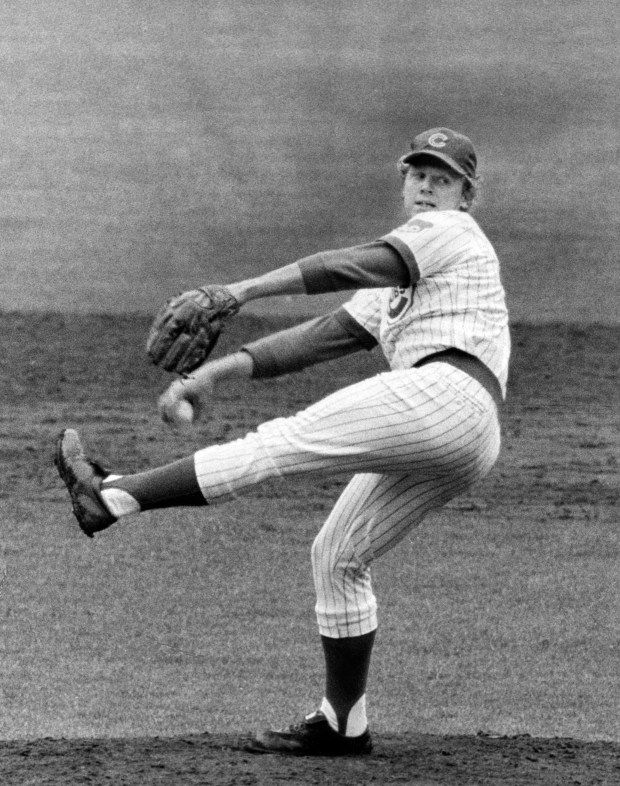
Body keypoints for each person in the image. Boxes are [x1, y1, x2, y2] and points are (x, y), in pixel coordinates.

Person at [55, 127, 510, 756]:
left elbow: (350, 264)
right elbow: (323, 335)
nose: (427, 186)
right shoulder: (406, 272)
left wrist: (241, 291)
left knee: (278, 443)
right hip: (464, 432)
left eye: (443, 178)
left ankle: (112, 499)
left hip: (444, 394)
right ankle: (343, 723)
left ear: (467, 194)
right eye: (418, 174)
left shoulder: (450, 233)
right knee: (337, 556)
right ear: (404, 180)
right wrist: (211, 373)